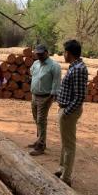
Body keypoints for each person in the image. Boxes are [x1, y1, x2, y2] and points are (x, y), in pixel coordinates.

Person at [55, 40, 88, 186]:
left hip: (69, 110)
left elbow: (80, 96)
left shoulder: (79, 69)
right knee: (64, 142)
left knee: (69, 144)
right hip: (65, 108)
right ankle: (62, 169)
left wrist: (66, 112)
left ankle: (66, 177)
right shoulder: (74, 67)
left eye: (64, 52)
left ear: (69, 53)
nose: (63, 55)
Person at [28, 44, 61, 156]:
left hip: (45, 96)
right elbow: (32, 73)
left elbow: (56, 82)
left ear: (47, 52)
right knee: (36, 118)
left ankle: (41, 145)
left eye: (41, 54)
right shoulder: (35, 64)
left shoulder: (54, 66)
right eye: (37, 54)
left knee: (41, 120)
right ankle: (39, 140)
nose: (39, 56)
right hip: (34, 95)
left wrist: (52, 96)